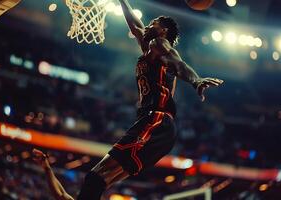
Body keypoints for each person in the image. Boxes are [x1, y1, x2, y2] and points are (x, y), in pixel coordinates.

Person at [33, 0, 224, 199]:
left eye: (155, 22)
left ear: (164, 31)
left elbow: (178, 63)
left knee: (94, 179)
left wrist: (196, 80)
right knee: (96, 182)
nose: (149, 24)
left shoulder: (159, 44)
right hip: (158, 126)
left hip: (156, 121)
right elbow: (135, 25)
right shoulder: (150, 47)